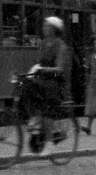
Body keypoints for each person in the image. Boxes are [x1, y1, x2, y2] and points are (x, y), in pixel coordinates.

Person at [19, 16, 71, 157]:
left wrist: (42, 70)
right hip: (43, 81)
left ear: (54, 30)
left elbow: (59, 69)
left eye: (47, 26)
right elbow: (38, 62)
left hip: (55, 83)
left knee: (48, 111)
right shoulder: (43, 44)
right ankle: (34, 117)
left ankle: (48, 145)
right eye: (44, 26)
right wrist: (34, 70)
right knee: (26, 85)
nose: (44, 28)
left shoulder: (61, 46)